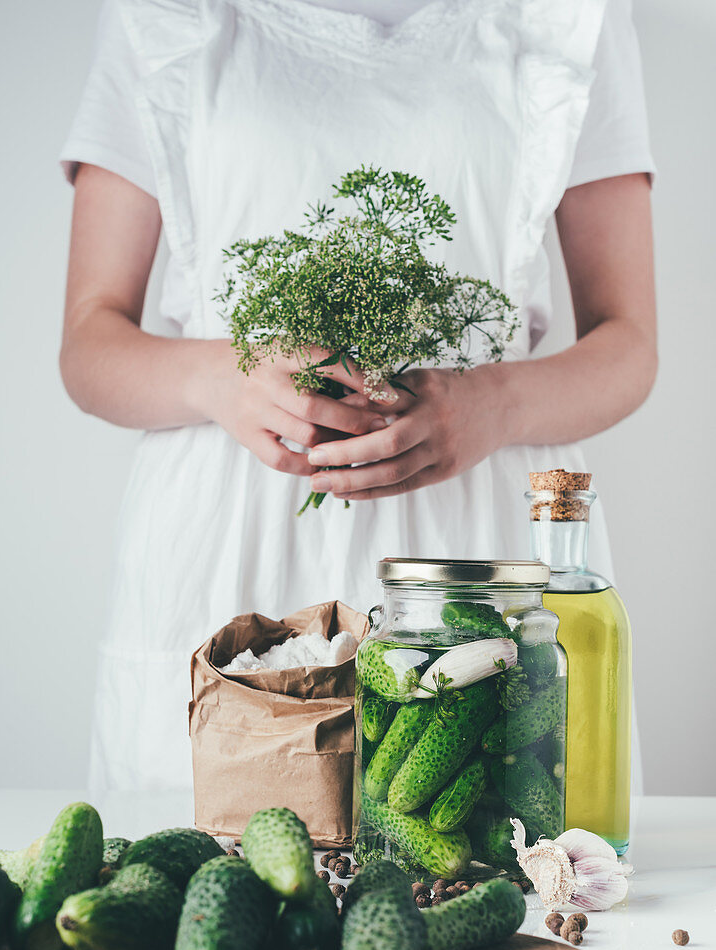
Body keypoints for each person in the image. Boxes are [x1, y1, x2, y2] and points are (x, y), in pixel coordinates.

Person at [60, 0, 657, 793]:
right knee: (204, 880)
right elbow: (89, 345)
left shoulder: (568, 17)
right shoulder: (164, 16)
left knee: (506, 875)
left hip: (474, 539)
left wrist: (495, 403)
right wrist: (218, 377)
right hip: (229, 542)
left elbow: (630, 343)